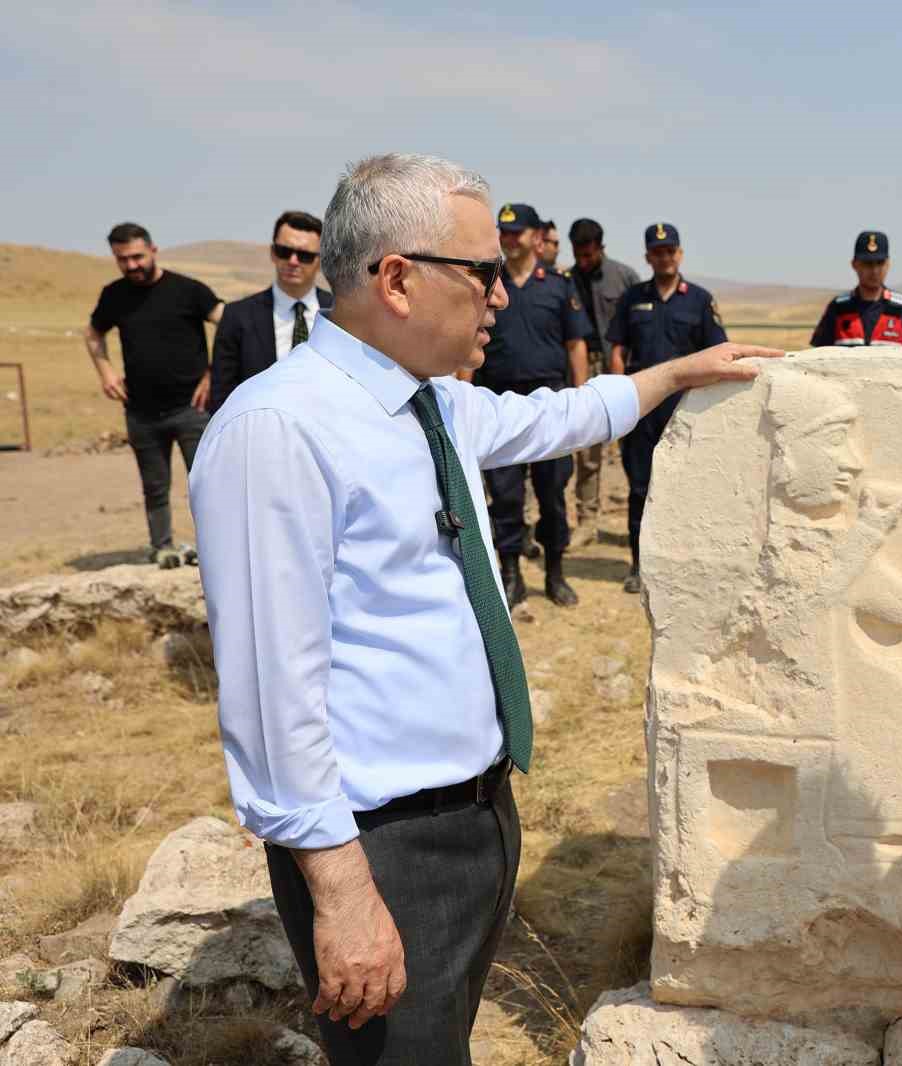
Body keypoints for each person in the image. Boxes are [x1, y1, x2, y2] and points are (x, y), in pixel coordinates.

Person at [189, 153, 778, 1066]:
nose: (501, 297)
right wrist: (342, 895)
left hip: (475, 815)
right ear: (395, 278)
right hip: (381, 848)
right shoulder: (282, 428)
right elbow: (272, 692)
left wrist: (674, 375)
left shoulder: (435, 405)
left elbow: (555, 419)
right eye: (482, 274)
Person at [85, 222, 224, 568]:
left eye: (137, 256)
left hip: (193, 409)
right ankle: (161, 547)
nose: (131, 265)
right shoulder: (113, 295)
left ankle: (217, 550)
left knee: (206, 485)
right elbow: (92, 334)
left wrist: (214, 373)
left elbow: (228, 323)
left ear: (153, 250)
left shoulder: (188, 290)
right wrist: (106, 373)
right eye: (122, 259)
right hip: (141, 412)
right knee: (154, 487)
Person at [477, 202, 590, 607]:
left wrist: (580, 403)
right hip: (499, 402)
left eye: (517, 232)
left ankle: (555, 572)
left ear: (535, 237)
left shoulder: (558, 285)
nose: (510, 239)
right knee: (504, 496)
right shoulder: (489, 280)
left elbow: (575, 345)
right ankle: (511, 574)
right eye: (504, 232)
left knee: (552, 495)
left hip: (549, 405)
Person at [608, 222, 728, 593]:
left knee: (689, 486)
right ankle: (638, 564)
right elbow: (616, 350)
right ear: (648, 257)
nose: (665, 257)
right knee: (641, 487)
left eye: (670, 250)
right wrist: (621, 394)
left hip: (686, 410)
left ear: (679, 253)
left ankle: (685, 561)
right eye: (657, 252)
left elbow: (717, 354)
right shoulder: (633, 299)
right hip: (642, 408)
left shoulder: (700, 300)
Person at [210, 211, 334, 412]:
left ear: (320, 261)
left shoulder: (341, 313)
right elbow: (222, 394)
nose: (293, 261)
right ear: (272, 253)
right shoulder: (238, 316)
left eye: (304, 256)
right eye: (284, 252)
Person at [567, 218, 642, 547]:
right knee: (587, 451)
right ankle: (587, 521)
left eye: (589, 255)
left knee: (633, 450)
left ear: (601, 248)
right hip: (582, 370)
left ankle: (639, 522)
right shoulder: (565, 281)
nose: (583, 261)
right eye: (578, 255)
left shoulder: (624, 277)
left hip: (623, 370)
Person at [809, 230, 902, 348]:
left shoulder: (901, 308)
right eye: (867, 263)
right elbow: (819, 355)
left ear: (888, 264)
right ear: (854, 264)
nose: (874, 271)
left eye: (880, 263)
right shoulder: (838, 308)